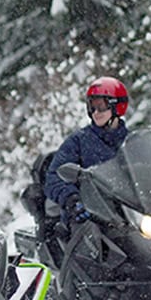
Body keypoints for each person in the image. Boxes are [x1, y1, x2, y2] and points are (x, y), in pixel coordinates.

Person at [43, 76, 129, 224]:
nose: (96, 112)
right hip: (88, 217)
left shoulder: (131, 141)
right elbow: (54, 176)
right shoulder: (79, 141)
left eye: (101, 106)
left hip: (126, 214)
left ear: (117, 106)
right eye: (91, 107)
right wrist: (72, 199)